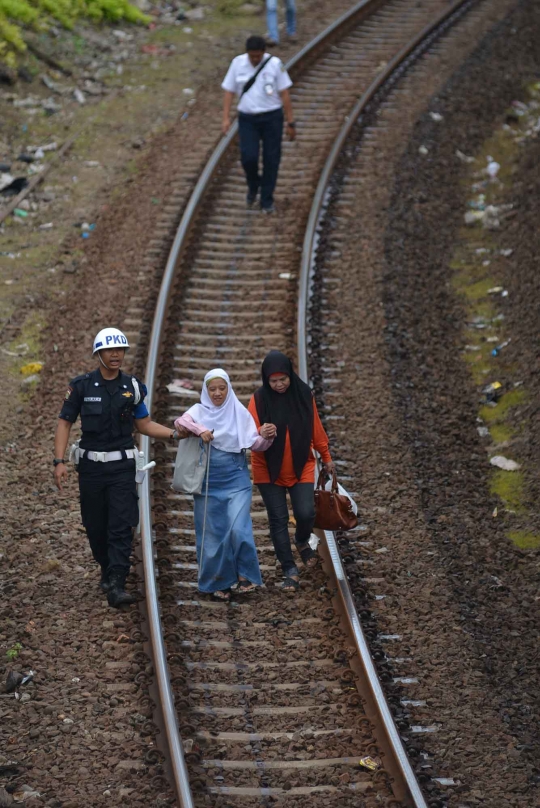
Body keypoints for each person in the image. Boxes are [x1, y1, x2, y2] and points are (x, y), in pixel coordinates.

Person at [53, 327, 184, 608]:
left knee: (122, 523)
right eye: (110, 350)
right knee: (95, 524)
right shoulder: (81, 386)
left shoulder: (132, 387)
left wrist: (175, 434)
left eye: (120, 350)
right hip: (90, 468)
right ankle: (106, 567)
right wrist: (59, 461)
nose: (116, 355)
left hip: (122, 467)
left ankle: (117, 581)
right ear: (98, 354)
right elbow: (65, 422)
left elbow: (144, 424)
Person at [174, 369, 275, 602]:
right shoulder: (199, 411)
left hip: (236, 478)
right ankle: (218, 582)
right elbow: (181, 421)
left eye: (222, 388)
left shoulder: (238, 411)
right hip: (208, 481)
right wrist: (201, 430)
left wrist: (267, 435)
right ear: (205, 391)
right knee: (212, 534)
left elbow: (255, 443)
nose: (217, 393)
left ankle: (245, 575)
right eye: (212, 389)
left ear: (229, 389)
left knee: (239, 528)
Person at [248, 351, 335, 592]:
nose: (278, 385)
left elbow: (316, 427)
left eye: (282, 379)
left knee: (306, 513)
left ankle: (301, 540)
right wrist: (260, 432)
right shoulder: (259, 399)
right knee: (278, 520)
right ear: (266, 379)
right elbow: (248, 432)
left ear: (290, 375)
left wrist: (326, 457)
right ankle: (289, 569)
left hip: (302, 464)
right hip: (267, 468)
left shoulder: (304, 394)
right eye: (273, 381)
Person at [221, 35, 296, 214]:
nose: (255, 59)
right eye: (252, 56)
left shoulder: (275, 64)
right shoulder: (237, 64)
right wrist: (225, 118)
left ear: (264, 53)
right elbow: (229, 91)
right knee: (248, 157)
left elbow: (284, 93)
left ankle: (266, 199)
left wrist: (290, 121)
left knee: (272, 159)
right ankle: (254, 184)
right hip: (248, 119)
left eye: (258, 56)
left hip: (272, 118)